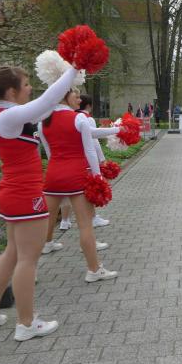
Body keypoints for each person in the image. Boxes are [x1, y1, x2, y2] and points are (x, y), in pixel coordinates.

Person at [0, 61, 81, 342]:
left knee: (12, 253)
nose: (30, 88)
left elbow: (47, 105)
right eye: (26, 84)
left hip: (15, 193)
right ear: (11, 92)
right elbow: (46, 101)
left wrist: (65, 75)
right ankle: (26, 323)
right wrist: (73, 69)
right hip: (25, 195)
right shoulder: (8, 116)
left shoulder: (8, 114)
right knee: (27, 260)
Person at [39, 89, 120, 282]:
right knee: (85, 225)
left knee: (45, 221)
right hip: (76, 176)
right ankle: (94, 270)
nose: (79, 98)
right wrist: (98, 177)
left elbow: (49, 152)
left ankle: (30, 268)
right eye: (75, 95)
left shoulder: (43, 121)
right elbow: (90, 151)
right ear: (64, 96)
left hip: (53, 176)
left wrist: (118, 129)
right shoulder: (79, 118)